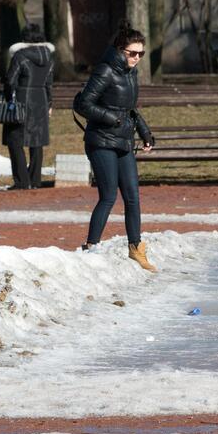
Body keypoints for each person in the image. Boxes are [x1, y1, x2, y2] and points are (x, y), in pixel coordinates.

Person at [73, 19, 157, 272]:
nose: (137, 58)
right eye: (133, 53)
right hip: (101, 141)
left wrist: (145, 132)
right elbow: (83, 104)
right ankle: (91, 246)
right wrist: (111, 118)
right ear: (121, 50)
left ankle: (136, 248)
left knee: (132, 197)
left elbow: (129, 109)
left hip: (123, 141)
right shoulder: (105, 71)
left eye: (141, 54)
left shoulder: (131, 74)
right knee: (108, 196)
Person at [2, 24, 54, 189]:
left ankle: (22, 181)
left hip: (22, 101)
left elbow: (10, 81)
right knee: (36, 141)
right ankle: (35, 180)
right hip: (41, 100)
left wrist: (9, 98)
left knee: (14, 139)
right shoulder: (49, 57)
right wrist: (50, 104)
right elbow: (49, 84)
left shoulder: (20, 55)